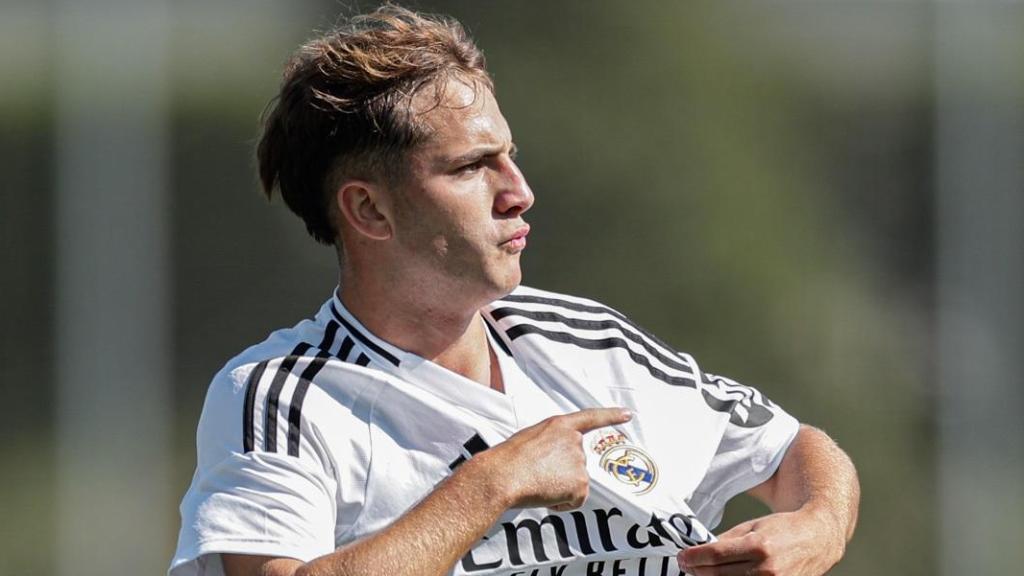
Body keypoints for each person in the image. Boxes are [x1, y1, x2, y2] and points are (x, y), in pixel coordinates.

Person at [169, 5, 859, 576]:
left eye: (510, 156)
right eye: (472, 167)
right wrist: (493, 482)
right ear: (369, 211)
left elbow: (794, 448)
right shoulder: (282, 396)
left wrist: (817, 526)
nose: (518, 193)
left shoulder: (588, 343)